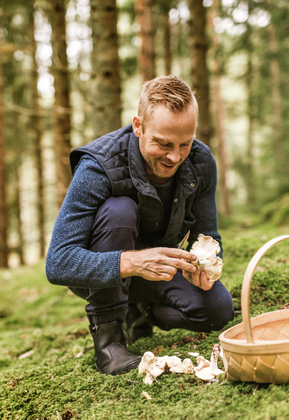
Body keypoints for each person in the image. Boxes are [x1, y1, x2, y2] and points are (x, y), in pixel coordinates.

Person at [46, 76, 234, 376]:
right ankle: (109, 343)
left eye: (184, 143)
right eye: (163, 143)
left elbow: (208, 234)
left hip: (155, 272)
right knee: (119, 210)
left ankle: (139, 313)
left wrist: (205, 267)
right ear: (138, 126)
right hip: (101, 270)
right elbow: (57, 263)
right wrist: (131, 261)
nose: (175, 156)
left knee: (219, 310)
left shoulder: (200, 162)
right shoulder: (98, 166)